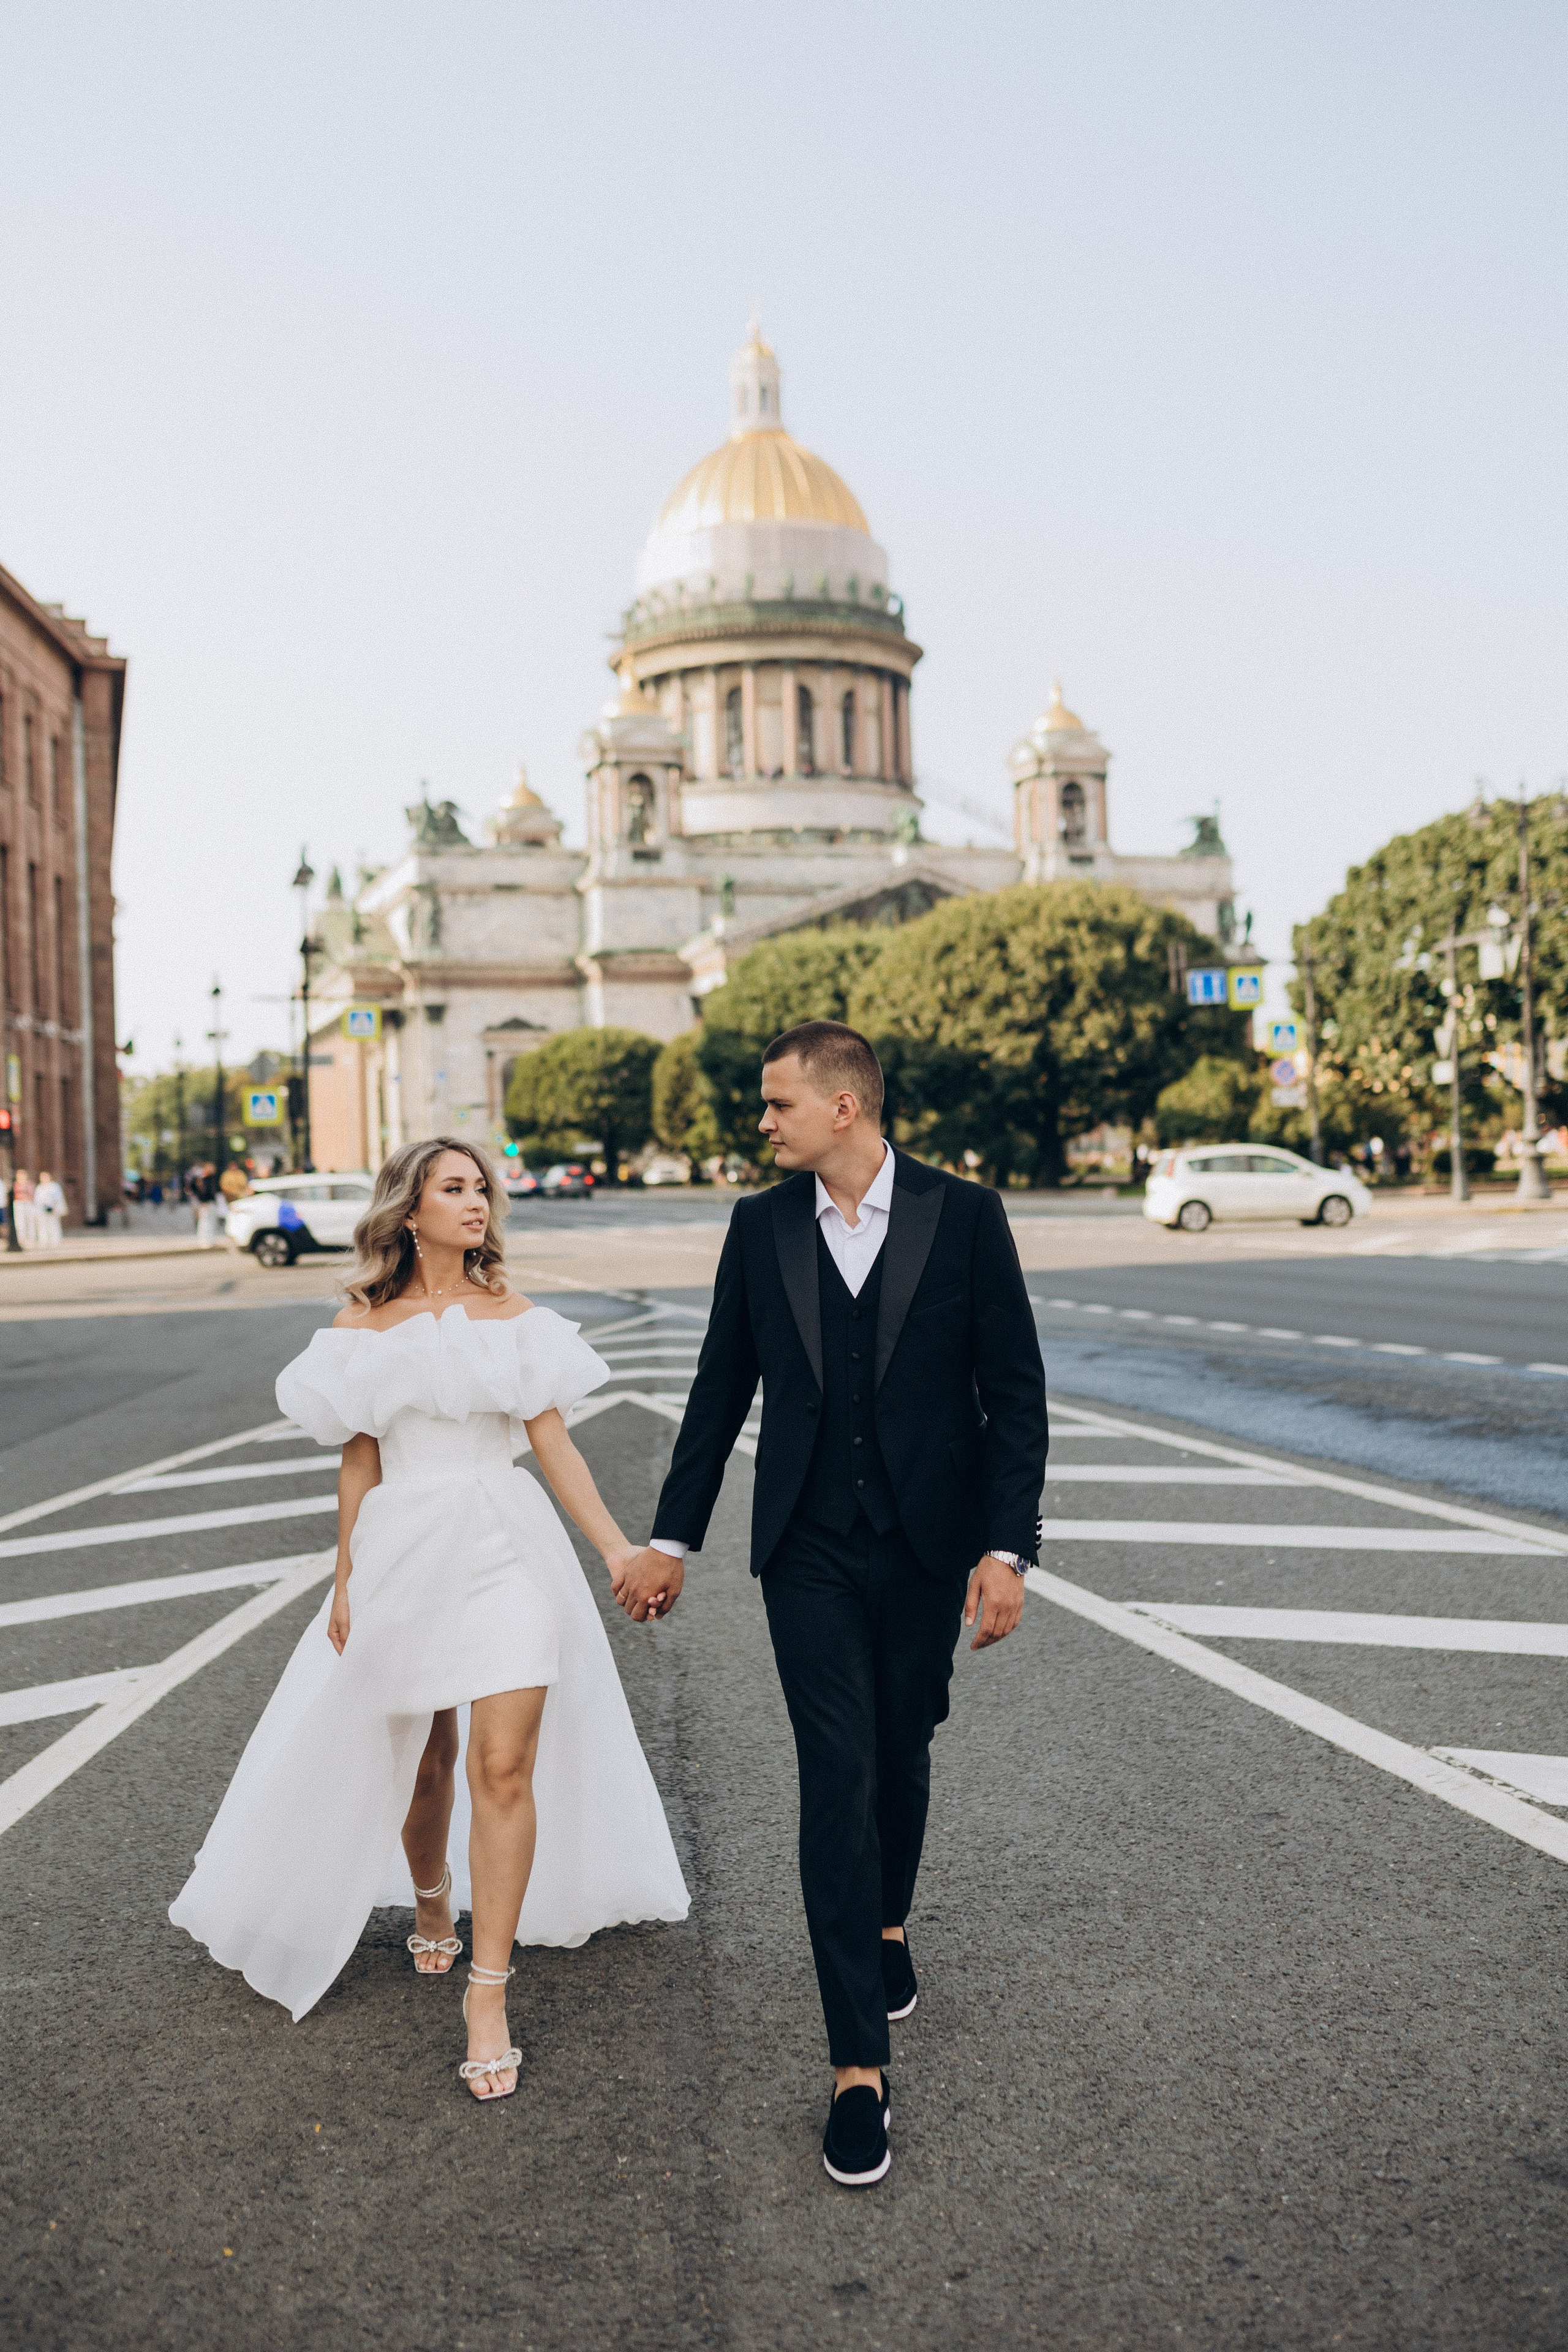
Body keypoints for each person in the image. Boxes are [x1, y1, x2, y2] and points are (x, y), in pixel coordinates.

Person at [614, 1022, 1048, 2188]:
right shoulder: (760, 1227)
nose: (763, 1123)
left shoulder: (965, 1216)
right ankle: (858, 2068)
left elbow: (1014, 1394)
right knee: (837, 1776)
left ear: (843, 1107)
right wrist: (671, 1540)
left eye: (779, 1104)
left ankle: (888, 1921)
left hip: (925, 1544)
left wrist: (1005, 1550)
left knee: (904, 1749)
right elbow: (719, 1389)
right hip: (806, 1546)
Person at [170, 1136, 688, 2097]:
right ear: (411, 1211)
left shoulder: (517, 1320)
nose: (477, 1201)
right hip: (404, 1548)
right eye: (455, 1188)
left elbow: (555, 1446)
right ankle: (432, 1898)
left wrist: (619, 1550)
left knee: (503, 1765)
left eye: (481, 1187)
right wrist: (344, 1579)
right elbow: (359, 1462)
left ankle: (488, 1994)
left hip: (506, 1544)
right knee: (427, 1762)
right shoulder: (361, 1328)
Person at [32, 1169, 66, 1246]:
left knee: (53, 1225)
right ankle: (44, 1241)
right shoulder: (39, 1188)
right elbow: (37, 1200)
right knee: (42, 1226)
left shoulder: (55, 1187)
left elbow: (58, 1198)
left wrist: (54, 1206)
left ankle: (55, 1241)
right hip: (42, 1209)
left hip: (53, 1209)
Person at [11, 1169, 36, 1248]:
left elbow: (33, 1194)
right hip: (19, 1204)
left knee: (30, 1221)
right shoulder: (15, 1185)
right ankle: (21, 1239)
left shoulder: (30, 1184)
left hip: (28, 1203)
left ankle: (31, 1239)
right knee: (20, 1222)